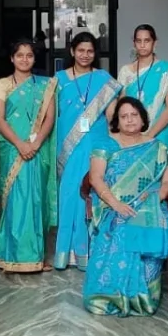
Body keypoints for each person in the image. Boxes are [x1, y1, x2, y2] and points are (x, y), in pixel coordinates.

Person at [83, 97, 168, 316]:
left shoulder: (157, 147)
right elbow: (96, 178)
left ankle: (143, 296)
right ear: (117, 121)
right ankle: (109, 295)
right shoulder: (104, 144)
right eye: (124, 116)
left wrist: (156, 197)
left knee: (155, 222)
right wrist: (116, 204)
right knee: (120, 225)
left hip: (149, 204)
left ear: (143, 119)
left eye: (134, 115)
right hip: (112, 205)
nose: (129, 120)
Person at [52, 32, 121, 270]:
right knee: (69, 194)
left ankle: (88, 252)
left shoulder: (103, 79)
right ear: (72, 51)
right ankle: (66, 253)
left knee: (91, 193)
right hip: (67, 145)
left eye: (90, 51)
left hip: (95, 142)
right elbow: (51, 114)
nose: (85, 55)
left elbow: (112, 115)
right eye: (80, 50)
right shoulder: (59, 79)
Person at [0, 39, 58, 273]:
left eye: (29, 55)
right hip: (12, 148)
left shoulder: (46, 85)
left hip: (37, 149)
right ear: (12, 58)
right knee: (16, 201)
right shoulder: (2, 84)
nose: (24, 59)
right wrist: (20, 144)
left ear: (34, 58)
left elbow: (49, 118)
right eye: (19, 55)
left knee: (36, 199)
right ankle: (11, 256)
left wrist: (36, 143)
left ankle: (35, 257)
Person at [117, 24, 168, 150]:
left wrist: (149, 136)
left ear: (154, 43)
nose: (142, 45)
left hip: (159, 134)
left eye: (147, 41)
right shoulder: (125, 71)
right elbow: (121, 106)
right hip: (131, 134)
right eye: (138, 41)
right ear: (134, 43)